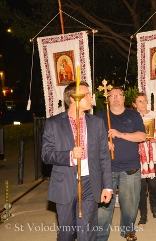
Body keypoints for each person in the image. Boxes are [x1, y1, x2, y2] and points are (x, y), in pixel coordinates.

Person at [42, 81, 112, 241]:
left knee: (87, 233)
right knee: (66, 233)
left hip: (89, 183)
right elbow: (46, 155)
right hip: (64, 183)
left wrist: (107, 186)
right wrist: (69, 155)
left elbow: (104, 156)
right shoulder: (54, 123)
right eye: (86, 94)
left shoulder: (96, 123)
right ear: (73, 98)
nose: (90, 97)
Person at [96, 87, 146, 241]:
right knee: (104, 206)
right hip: (106, 169)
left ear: (124, 98)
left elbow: (141, 136)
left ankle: (128, 230)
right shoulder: (99, 117)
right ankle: (100, 235)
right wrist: (103, 143)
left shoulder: (133, 115)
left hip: (130, 167)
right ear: (107, 99)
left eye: (119, 95)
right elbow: (90, 140)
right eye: (112, 96)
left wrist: (119, 134)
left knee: (130, 204)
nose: (116, 98)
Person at [133, 93, 156, 225]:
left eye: (145, 101)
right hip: (138, 156)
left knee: (153, 185)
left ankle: (154, 207)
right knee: (141, 187)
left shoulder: (155, 115)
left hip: (153, 154)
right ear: (135, 104)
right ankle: (143, 214)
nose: (143, 103)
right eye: (140, 101)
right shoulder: (132, 117)